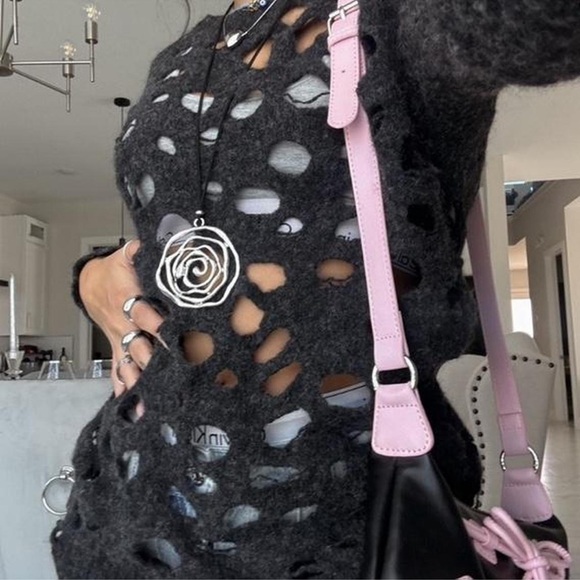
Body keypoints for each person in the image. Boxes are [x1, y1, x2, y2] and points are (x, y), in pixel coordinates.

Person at [52, 0, 580, 577]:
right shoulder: (183, 54)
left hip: (345, 528)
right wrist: (93, 277)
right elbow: (176, 233)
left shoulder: (402, 21)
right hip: (129, 513)